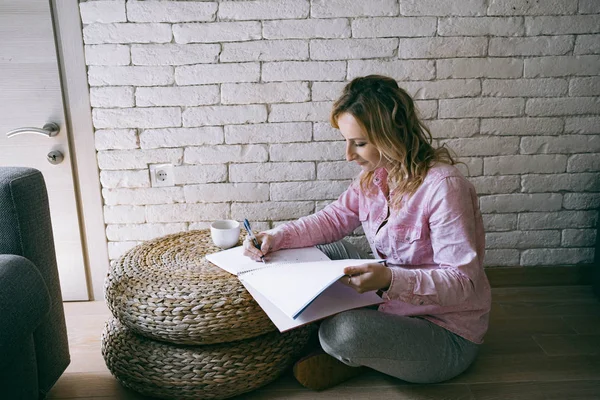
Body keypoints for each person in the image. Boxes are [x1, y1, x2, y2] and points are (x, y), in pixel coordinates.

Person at [243, 75, 491, 390]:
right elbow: (332, 220)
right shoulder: (374, 176)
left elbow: (463, 283)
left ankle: (354, 352)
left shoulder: (444, 187)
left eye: (359, 143)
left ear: (392, 135)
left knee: (342, 333)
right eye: (346, 141)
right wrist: (276, 236)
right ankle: (367, 352)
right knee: (324, 251)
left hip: (442, 332)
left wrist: (389, 280)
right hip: (389, 300)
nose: (349, 155)